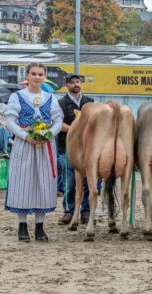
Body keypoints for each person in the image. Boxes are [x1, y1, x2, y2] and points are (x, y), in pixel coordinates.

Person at [4, 62, 63, 242]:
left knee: (43, 183)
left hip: (45, 146)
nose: (37, 77)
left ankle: (39, 227)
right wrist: (26, 136)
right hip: (24, 145)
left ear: (44, 76)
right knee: (23, 182)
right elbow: (10, 121)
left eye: (40, 74)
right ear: (27, 76)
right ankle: (22, 226)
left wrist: (47, 135)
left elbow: (58, 120)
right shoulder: (17, 96)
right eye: (34, 74)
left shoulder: (50, 97)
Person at [56, 73, 95, 226]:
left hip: (88, 148)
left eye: (77, 81)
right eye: (71, 82)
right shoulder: (60, 103)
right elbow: (58, 124)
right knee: (70, 182)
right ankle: (69, 211)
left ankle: (86, 211)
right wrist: (77, 129)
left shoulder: (90, 102)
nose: (75, 84)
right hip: (67, 148)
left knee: (90, 181)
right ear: (66, 85)